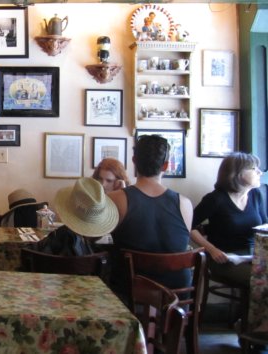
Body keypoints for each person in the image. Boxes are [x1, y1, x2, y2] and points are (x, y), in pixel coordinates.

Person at [108, 134, 193, 291]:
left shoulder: (116, 198)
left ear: (134, 161)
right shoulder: (185, 204)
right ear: (165, 166)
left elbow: (92, 236)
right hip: (175, 295)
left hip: (129, 291)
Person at [190, 152, 267, 320]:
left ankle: (254, 329)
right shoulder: (216, 199)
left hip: (252, 257)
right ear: (237, 174)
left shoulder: (256, 196)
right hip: (225, 259)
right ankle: (252, 329)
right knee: (262, 281)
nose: (259, 172)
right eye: (254, 169)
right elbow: (189, 225)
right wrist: (212, 250)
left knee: (261, 277)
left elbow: (263, 228)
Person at [36, 177, 119, 257]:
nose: (104, 183)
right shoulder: (102, 248)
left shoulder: (59, 236)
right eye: (100, 179)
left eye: (109, 180)